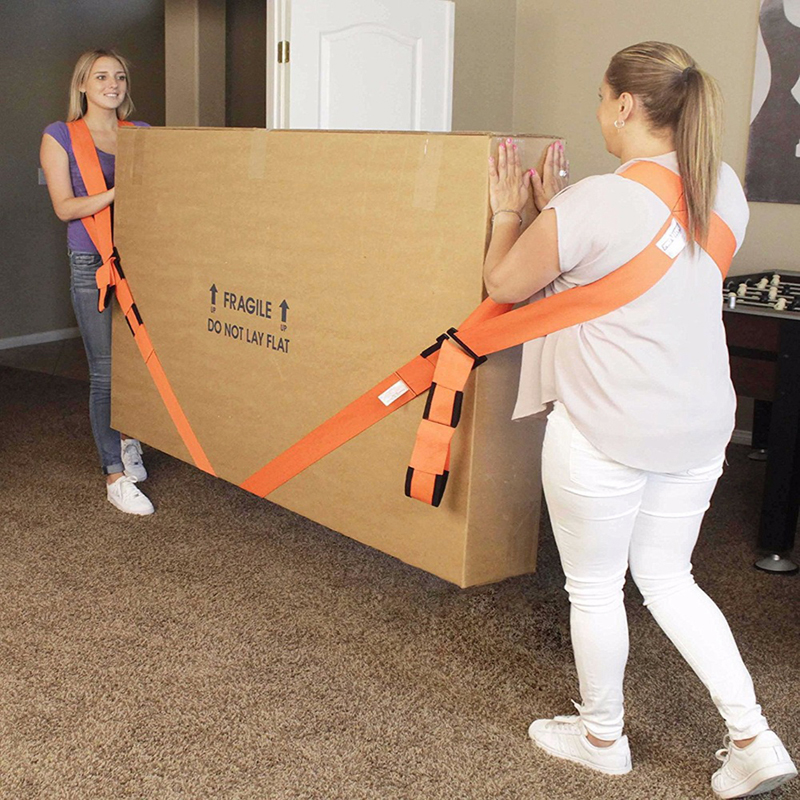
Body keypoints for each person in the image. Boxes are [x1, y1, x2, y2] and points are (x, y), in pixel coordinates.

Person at [484, 42, 797, 799]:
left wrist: (513, 213)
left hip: (606, 429)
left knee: (595, 588)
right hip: (699, 426)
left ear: (625, 105)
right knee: (669, 577)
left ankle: (602, 738)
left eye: (602, 98)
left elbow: (504, 283)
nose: (599, 111)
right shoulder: (724, 187)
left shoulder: (594, 202)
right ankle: (753, 739)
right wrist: (560, 216)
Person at [40, 49, 154, 515]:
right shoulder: (60, 135)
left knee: (141, 362)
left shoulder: (140, 133)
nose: (113, 84)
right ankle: (114, 475)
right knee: (106, 369)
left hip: (141, 260)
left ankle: (128, 440)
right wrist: (117, 192)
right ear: (83, 85)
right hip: (92, 260)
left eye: (120, 76)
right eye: (102, 76)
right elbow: (65, 208)